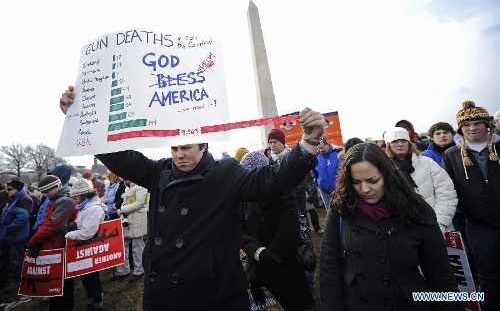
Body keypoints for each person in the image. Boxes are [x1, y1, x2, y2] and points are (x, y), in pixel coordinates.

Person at [59, 85, 326, 311]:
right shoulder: (158, 172)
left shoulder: (226, 173)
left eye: (186, 147)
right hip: (164, 296)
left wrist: (309, 143)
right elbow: (122, 158)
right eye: (174, 148)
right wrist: (83, 118)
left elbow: (272, 180)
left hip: (212, 295)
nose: (179, 155)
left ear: (205, 146)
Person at [319, 143, 463, 311]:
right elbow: (329, 261)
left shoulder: (417, 209)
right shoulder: (342, 207)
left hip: (406, 302)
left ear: (388, 176)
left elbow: (440, 273)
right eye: (356, 182)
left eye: (373, 181)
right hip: (358, 301)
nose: (364, 189)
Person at [442, 100, 500, 311]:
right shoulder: (451, 154)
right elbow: (447, 189)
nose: (472, 128)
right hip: (478, 225)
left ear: (488, 124)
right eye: (466, 125)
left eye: (477, 123)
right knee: (487, 274)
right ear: (460, 129)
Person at [239, 150, 313, 311]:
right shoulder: (243, 197)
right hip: (255, 269)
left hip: (285, 269)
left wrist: (268, 257)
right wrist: (258, 251)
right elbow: (241, 231)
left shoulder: (285, 194)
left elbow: (288, 234)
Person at [384, 127, 458, 233]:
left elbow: (446, 193)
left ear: (409, 142)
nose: (400, 144)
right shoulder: (383, 169)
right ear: (388, 145)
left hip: (435, 225)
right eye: (395, 141)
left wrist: (439, 223)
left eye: (403, 140)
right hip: (403, 230)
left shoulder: (428, 163)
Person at [27, 175, 78, 311]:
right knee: (56, 282)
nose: (44, 194)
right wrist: (38, 241)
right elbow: (45, 222)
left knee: (63, 282)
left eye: (46, 191)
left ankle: (65, 307)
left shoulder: (65, 200)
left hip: (61, 247)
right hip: (53, 245)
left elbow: (52, 225)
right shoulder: (53, 199)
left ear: (57, 187)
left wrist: (33, 241)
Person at [64, 178, 106, 311]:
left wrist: (68, 234)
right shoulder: (85, 206)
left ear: (83, 195)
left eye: (75, 197)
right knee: (85, 277)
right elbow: (82, 223)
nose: (74, 201)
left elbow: (87, 233)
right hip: (84, 248)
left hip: (90, 248)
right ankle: (90, 301)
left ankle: (97, 304)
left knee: (92, 278)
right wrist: (74, 225)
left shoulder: (93, 209)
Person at [0, 178, 33, 293]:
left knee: (17, 261)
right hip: (7, 235)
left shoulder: (23, 199)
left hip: (15, 236)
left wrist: (9, 229)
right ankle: (6, 281)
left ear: (17, 188)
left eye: (9, 188)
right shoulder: (13, 198)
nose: (7, 191)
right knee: (5, 260)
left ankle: (18, 284)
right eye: (6, 188)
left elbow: (22, 218)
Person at [114, 179, 148, 283]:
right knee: (123, 245)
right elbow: (126, 202)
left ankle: (139, 270)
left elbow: (140, 203)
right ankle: (123, 270)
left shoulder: (140, 186)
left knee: (137, 247)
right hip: (127, 220)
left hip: (137, 220)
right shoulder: (128, 187)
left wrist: (122, 210)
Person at [312, 137, 342, 211]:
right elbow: (313, 172)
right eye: (319, 148)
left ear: (327, 143)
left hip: (339, 190)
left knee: (342, 210)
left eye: (322, 147)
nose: (321, 150)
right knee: (330, 212)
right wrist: (317, 183)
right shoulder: (316, 156)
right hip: (324, 191)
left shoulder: (338, 153)